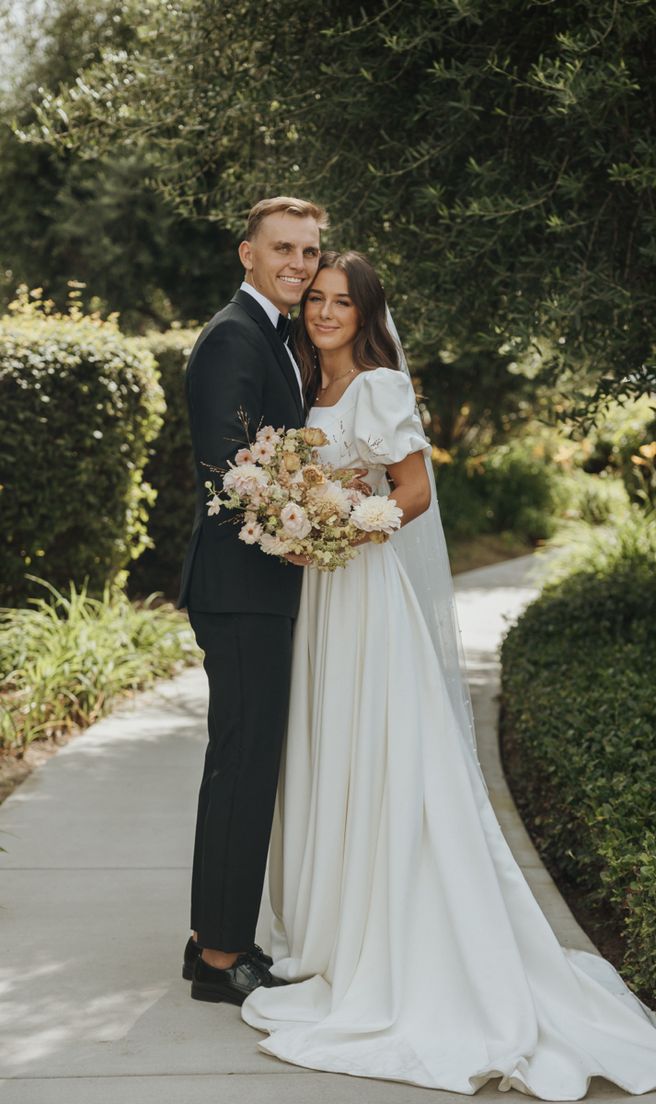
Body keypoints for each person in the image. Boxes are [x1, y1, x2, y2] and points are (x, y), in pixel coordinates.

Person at [240, 251, 656, 1098]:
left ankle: (404, 954)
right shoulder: (306, 388)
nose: (326, 313)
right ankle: (331, 937)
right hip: (316, 600)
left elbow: (410, 491)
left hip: (363, 595)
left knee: (382, 760)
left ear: (367, 314)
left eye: (343, 302)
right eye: (318, 301)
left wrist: (345, 531)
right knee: (327, 755)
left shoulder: (377, 386)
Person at [176, 195, 327, 1006]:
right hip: (242, 591)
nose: (299, 264)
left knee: (241, 762)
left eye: (309, 251)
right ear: (248, 253)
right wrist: (314, 527)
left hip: (256, 590)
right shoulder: (235, 335)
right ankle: (224, 959)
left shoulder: (271, 334)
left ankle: (211, 935)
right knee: (243, 767)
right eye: (284, 249)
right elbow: (230, 472)